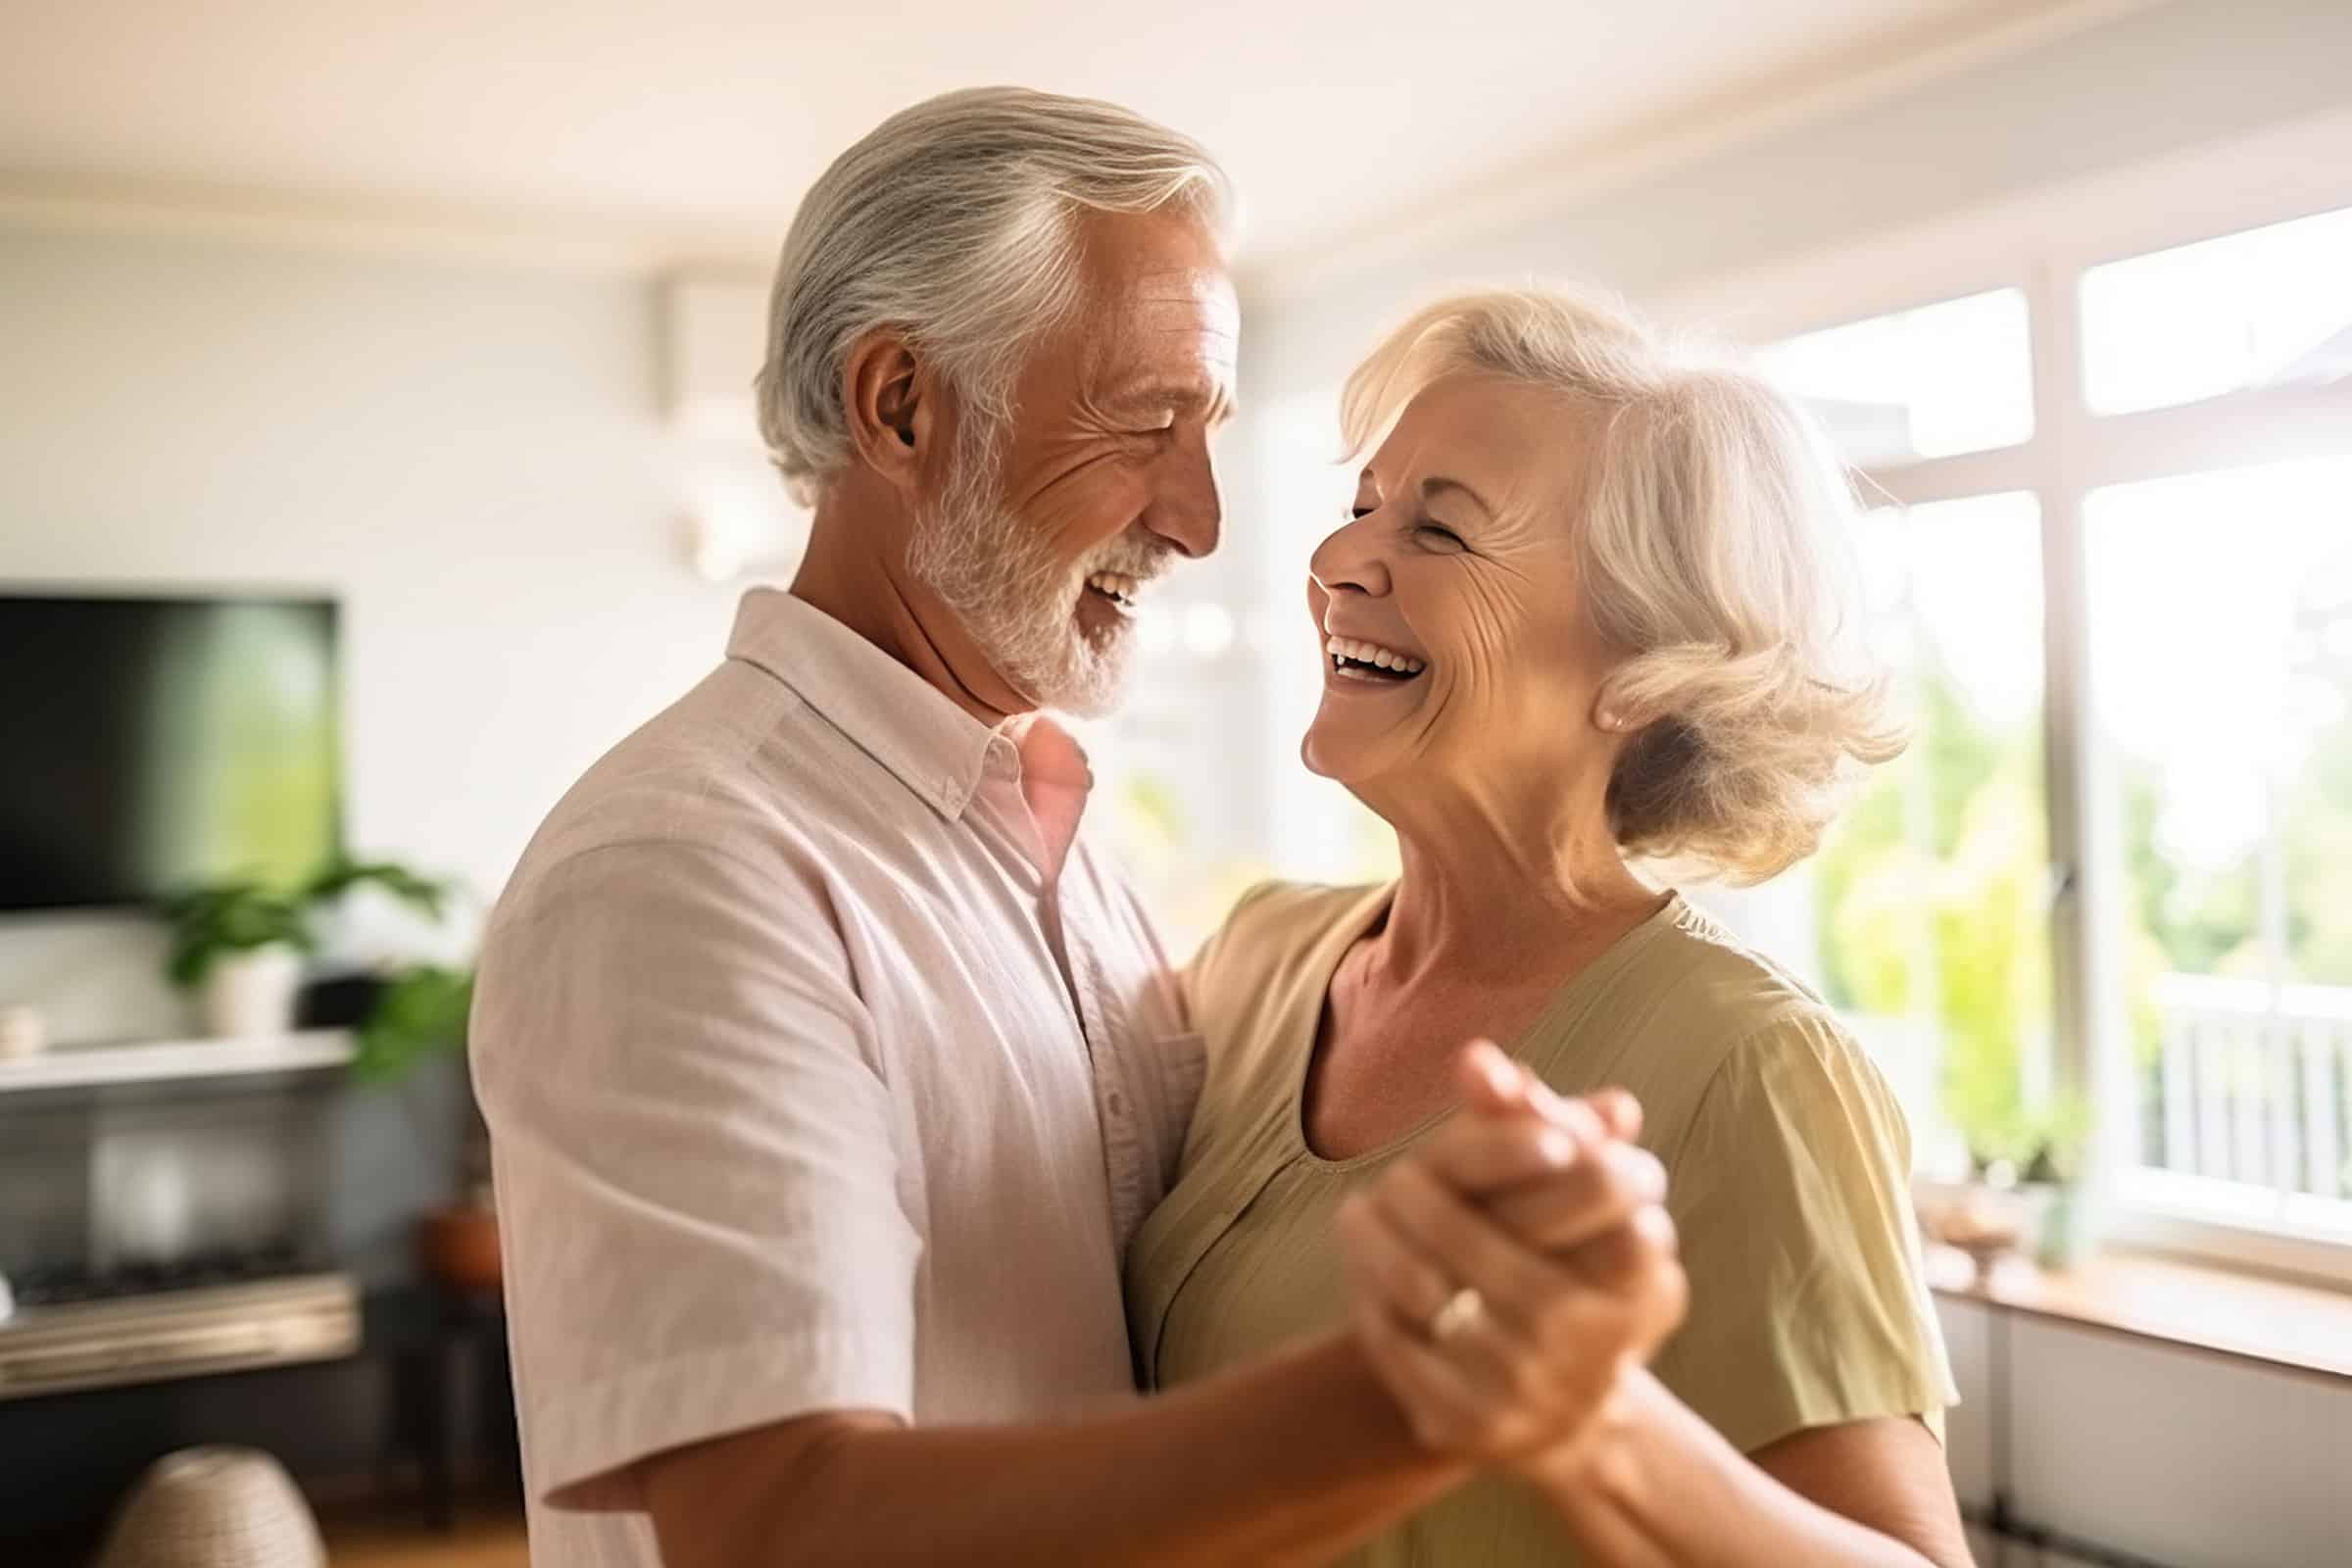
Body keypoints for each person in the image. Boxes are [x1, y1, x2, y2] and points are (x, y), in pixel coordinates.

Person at [469, 90, 1683, 1568]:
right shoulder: (683, 872)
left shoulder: (1063, 842)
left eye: (1211, 429)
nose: (1201, 518)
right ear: (902, 406)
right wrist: (1431, 1388)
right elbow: (779, 1524)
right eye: (1145, 421)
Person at [1127, 287, 1975, 1566]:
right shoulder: (1255, 958)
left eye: (1441, 531)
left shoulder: (1750, 1065)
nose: (1338, 563)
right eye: (1364, 509)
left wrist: (1594, 1423)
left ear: (1644, 659)